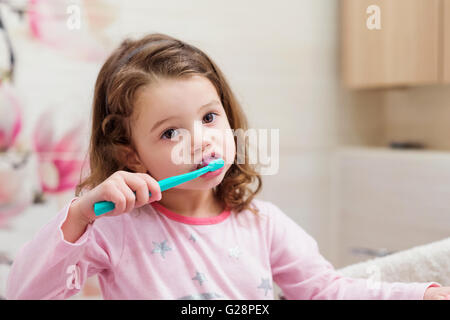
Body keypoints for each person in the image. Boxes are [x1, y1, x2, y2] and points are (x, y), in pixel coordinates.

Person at [5, 33, 449, 300]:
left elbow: (326, 291)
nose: (202, 140)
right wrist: (80, 215)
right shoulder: (115, 231)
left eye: (210, 117)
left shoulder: (262, 226)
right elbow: (26, 293)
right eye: (170, 132)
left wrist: (422, 293)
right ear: (131, 155)